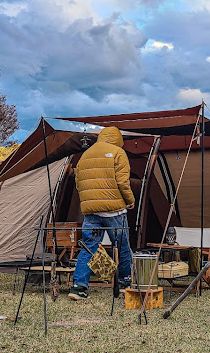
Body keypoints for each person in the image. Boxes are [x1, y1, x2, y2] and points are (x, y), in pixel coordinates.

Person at [69, 126, 135, 300]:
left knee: (89, 247)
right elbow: (122, 182)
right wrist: (130, 200)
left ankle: (78, 287)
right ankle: (124, 283)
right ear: (118, 139)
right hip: (114, 211)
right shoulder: (118, 153)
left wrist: (89, 202)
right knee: (121, 248)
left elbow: (79, 182)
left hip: (91, 212)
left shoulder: (85, 155)